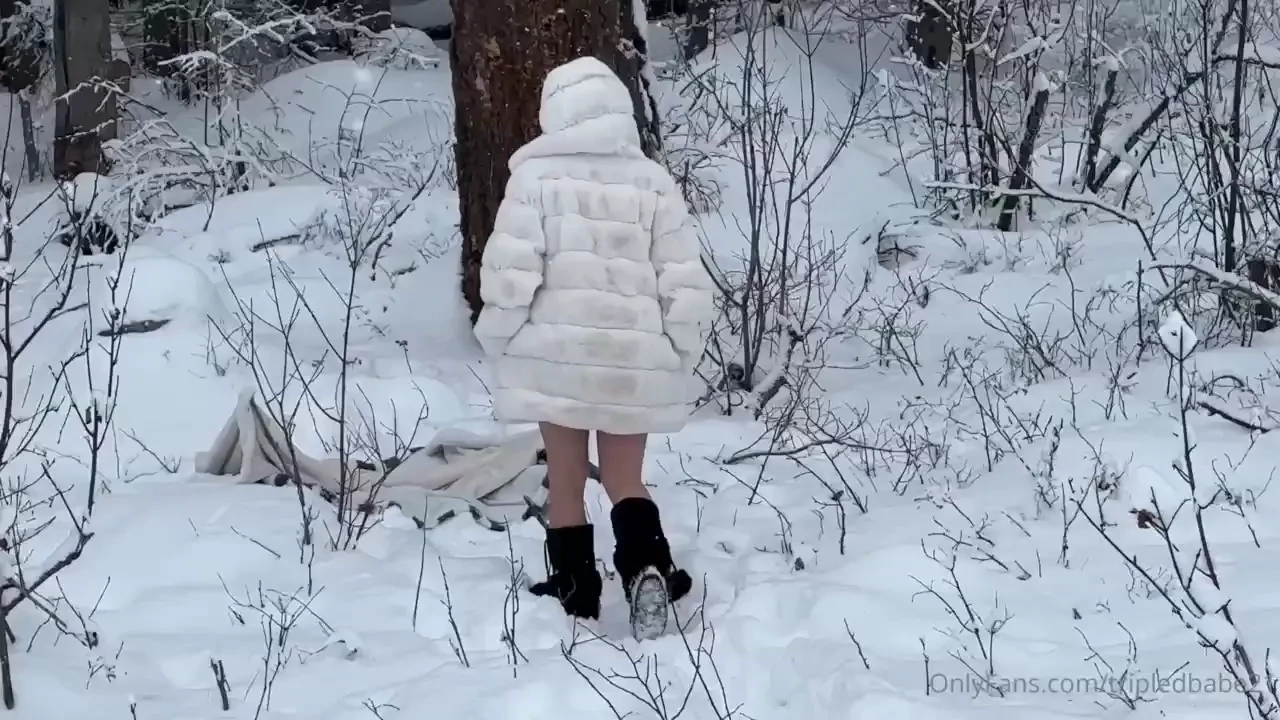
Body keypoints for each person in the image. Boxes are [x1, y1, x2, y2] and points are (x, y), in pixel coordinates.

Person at [473, 56, 714, 636]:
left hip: (558, 362)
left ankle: (576, 590)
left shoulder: (534, 181)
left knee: (567, 476)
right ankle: (648, 568)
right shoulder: (653, 182)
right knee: (627, 478)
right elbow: (683, 279)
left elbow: (509, 276)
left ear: (554, 113)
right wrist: (682, 350)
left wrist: (498, 336)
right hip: (633, 364)